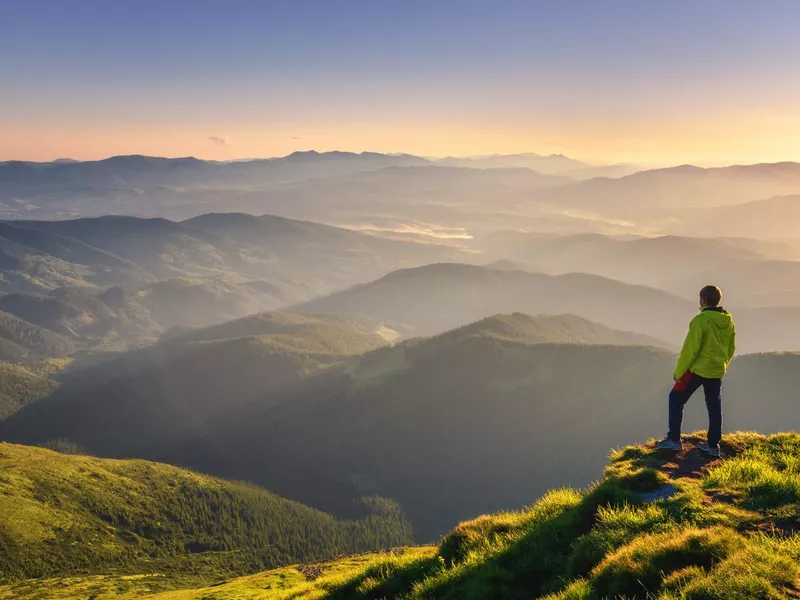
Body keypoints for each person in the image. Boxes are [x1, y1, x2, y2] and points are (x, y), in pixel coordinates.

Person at [655, 285, 736, 457]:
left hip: (698, 370)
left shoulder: (701, 321)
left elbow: (690, 350)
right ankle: (713, 445)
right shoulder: (728, 321)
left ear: (703, 300)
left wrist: (679, 372)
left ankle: (674, 440)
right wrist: (722, 365)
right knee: (714, 407)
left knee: (675, 398)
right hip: (716, 371)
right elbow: (731, 348)